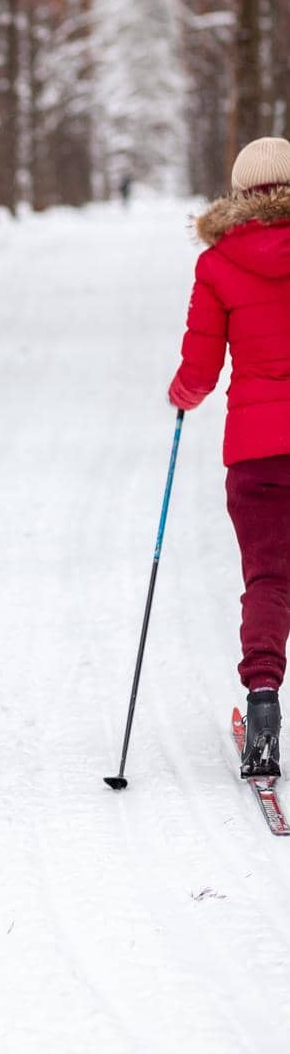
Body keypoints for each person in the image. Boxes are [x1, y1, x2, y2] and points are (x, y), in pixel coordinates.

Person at [168, 136, 290, 777]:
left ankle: (264, 704)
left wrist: (182, 395)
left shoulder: (219, 264)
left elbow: (201, 364)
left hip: (258, 455)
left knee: (268, 581)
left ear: (241, 194)